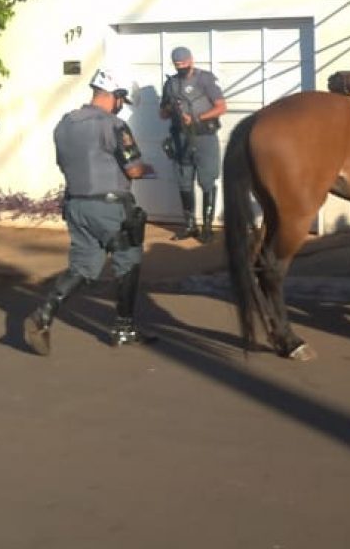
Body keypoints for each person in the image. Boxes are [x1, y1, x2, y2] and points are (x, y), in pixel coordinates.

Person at [27, 68, 152, 354]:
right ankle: (124, 328)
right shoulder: (113, 126)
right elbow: (133, 167)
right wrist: (147, 169)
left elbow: (63, 163)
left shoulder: (65, 124)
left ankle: (43, 313)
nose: (122, 106)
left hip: (76, 205)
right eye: (122, 99)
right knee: (128, 261)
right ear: (115, 95)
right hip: (110, 208)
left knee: (83, 268)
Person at [159, 45, 226, 241]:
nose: (181, 67)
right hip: (180, 139)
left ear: (191, 60)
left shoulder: (205, 79)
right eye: (177, 64)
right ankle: (189, 226)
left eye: (184, 63)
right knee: (184, 183)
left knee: (207, 181)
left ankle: (206, 227)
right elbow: (162, 114)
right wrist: (171, 108)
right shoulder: (170, 84)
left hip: (204, 137)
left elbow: (221, 107)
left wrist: (198, 118)